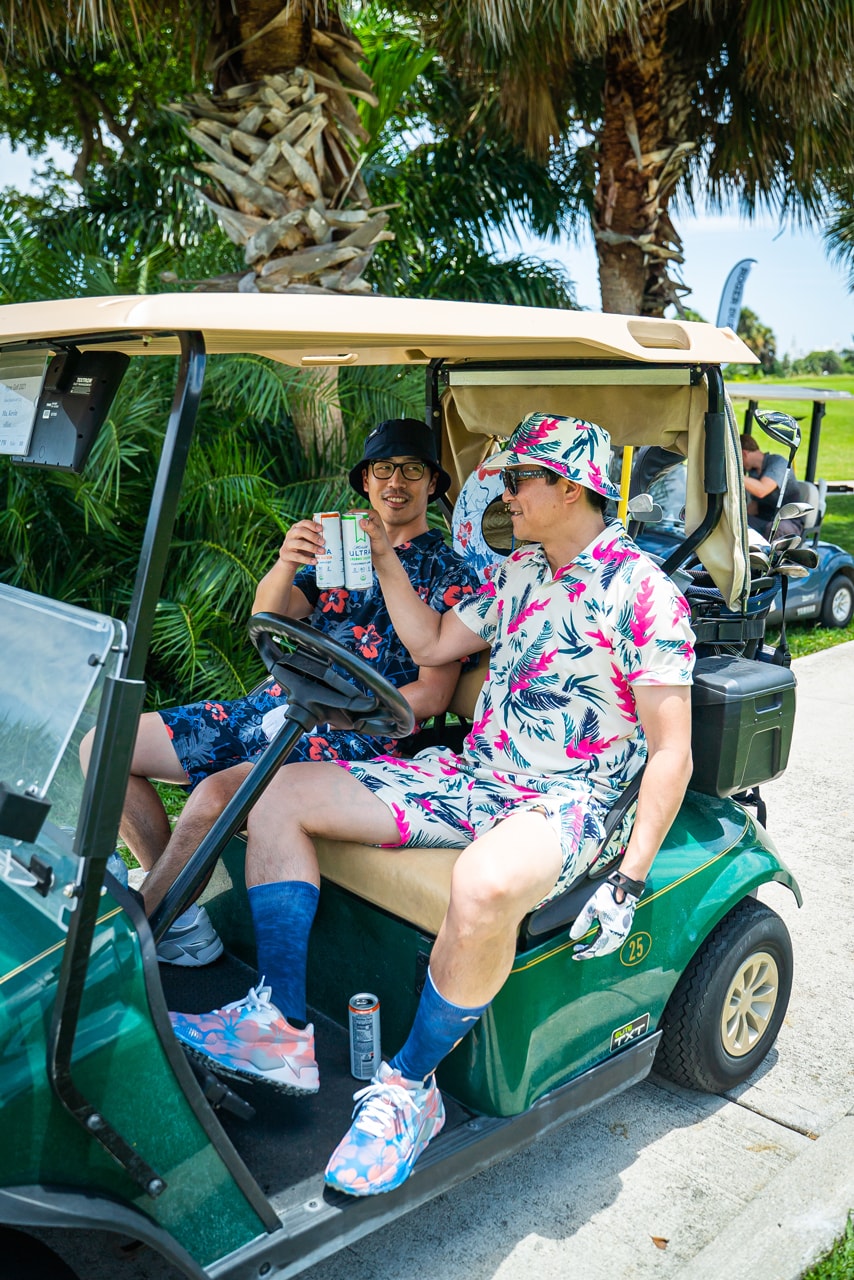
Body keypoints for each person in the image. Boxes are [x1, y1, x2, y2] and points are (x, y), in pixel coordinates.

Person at [170, 412, 695, 1195]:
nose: (505, 493)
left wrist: (627, 880)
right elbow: (430, 649)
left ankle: (409, 1090)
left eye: (519, 480)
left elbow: (670, 750)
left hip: (567, 799)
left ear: (567, 487)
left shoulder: (643, 595)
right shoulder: (520, 572)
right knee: (274, 794)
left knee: (480, 885)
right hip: (476, 773)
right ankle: (279, 1025)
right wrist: (385, 561)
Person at [80, 417, 478, 958]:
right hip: (276, 706)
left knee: (214, 795)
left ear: (433, 483)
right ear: (365, 481)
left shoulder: (447, 570)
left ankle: (132, 941)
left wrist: (348, 714)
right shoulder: (340, 551)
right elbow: (270, 614)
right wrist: (287, 559)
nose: (396, 482)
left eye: (412, 470)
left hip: (358, 731)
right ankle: (180, 916)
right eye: (383, 469)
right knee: (103, 746)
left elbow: (432, 696)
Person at [740, 433, 804, 539]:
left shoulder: (778, 463)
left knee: (774, 528)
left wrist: (734, 473)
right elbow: (754, 506)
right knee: (736, 523)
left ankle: (771, 555)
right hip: (763, 520)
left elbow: (762, 490)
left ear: (744, 454)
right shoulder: (753, 472)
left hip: (787, 522)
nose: (740, 464)